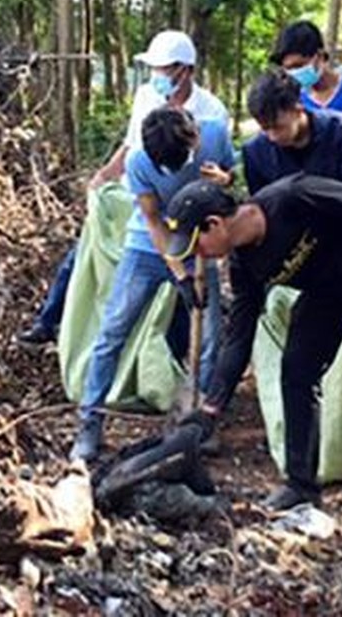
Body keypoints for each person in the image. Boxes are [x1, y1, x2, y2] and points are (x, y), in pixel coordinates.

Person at [163, 176, 342, 512]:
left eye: (196, 244)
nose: (198, 255)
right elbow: (239, 336)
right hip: (327, 289)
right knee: (296, 370)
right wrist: (212, 408)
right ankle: (301, 485)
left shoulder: (293, 197)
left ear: (214, 223)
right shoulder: (244, 264)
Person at [20, 30, 228, 344]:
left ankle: (168, 358)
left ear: (184, 70)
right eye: (154, 69)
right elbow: (131, 145)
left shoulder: (212, 113)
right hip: (136, 197)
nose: (156, 76)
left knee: (179, 291)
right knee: (84, 252)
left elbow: (219, 173)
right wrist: (103, 176)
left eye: (163, 69)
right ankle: (48, 321)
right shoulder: (147, 96)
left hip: (179, 213)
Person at [70, 108, 234, 462]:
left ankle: (200, 423)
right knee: (113, 331)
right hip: (147, 248)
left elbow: (228, 186)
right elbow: (152, 220)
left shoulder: (216, 133)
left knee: (210, 339)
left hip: (200, 245)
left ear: (194, 136)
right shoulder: (139, 161)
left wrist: (223, 181)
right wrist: (180, 276)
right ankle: (90, 423)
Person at [271, 21, 342, 192]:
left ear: (318, 56)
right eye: (288, 69)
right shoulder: (293, 101)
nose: (294, 73)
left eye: (299, 66)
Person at [243, 69, 342, 195]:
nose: (273, 137)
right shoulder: (255, 152)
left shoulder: (341, 131)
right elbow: (260, 207)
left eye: (278, 127)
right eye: (265, 129)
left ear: (298, 108)